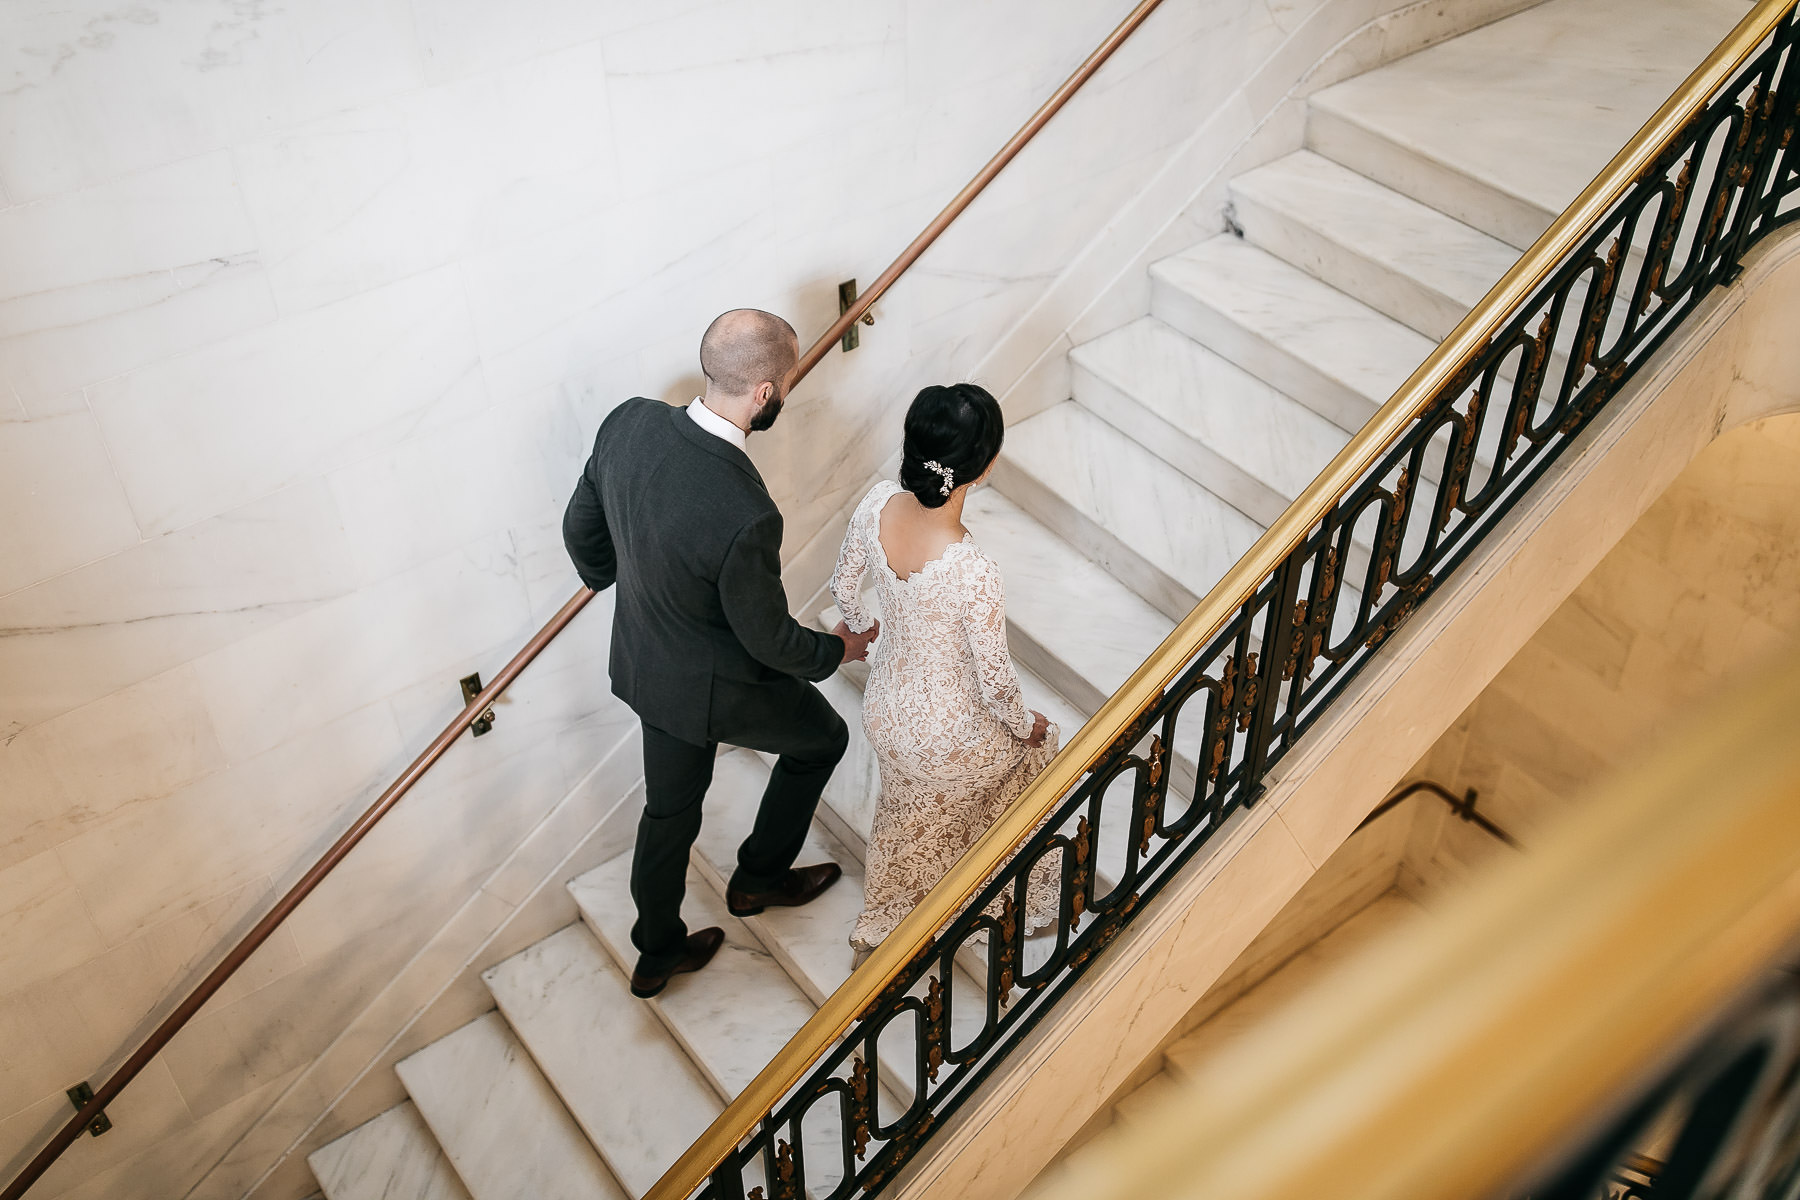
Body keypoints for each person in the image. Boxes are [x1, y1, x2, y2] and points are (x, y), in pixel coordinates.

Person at [563, 308, 879, 998]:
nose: (786, 392)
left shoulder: (629, 422)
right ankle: (758, 878)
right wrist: (837, 648)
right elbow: (769, 639)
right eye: (786, 382)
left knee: (667, 815)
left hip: (649, 668)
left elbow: (580, 524)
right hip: (717, 688)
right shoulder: (745, 511)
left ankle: (656, 953)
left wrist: (610, 574)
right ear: (765, 392)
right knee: (823, 738)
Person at [829, 383, 1060, 960]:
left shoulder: (875, 502)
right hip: (943, 734)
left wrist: (863, 631)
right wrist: (1024, 724)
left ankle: (893, 910)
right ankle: (1002, 900)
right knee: (1039, 749)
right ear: (985, 466)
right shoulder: (973, 569)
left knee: (909, 806)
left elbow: (843, 588)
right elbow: (996, 683)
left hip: (885, 710)